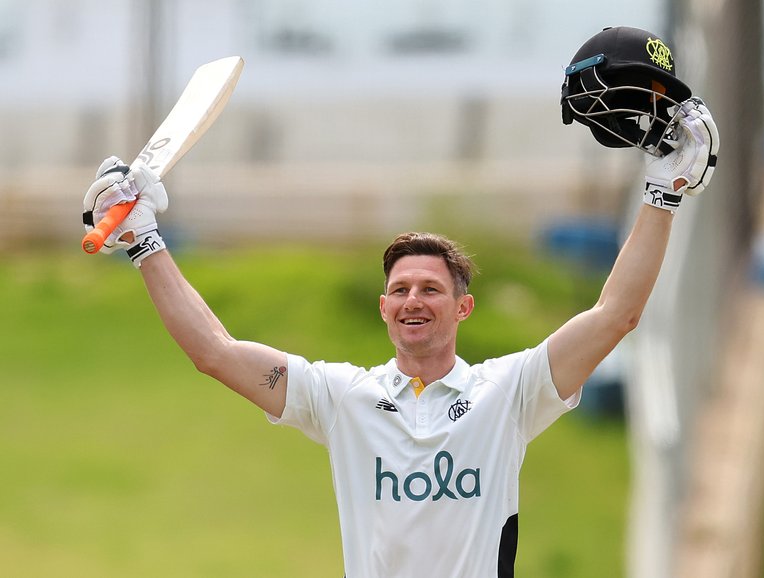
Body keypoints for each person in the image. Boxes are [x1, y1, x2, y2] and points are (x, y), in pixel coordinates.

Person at [81, 30, 718, 578]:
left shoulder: (510, 391)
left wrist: (663, 194)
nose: (414, 300)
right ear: (384, 309)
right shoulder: (341, 399)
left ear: (463, 309)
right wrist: (146, 243)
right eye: (401, 291)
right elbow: (215, 354)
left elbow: (616, 316)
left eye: (432, 289)